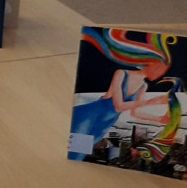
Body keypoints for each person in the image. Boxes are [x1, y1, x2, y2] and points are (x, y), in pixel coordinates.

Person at [69, 28, 178, 161]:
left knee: (79, 155)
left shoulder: (143, 86)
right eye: (160, 69)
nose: (160, 74)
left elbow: (135, 113)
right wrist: (150, 102)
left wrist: (159, 119)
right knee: (75, 154)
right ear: (151, 62)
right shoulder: (121, 73)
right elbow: (119, 106)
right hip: (89, 117)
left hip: (105, 123)